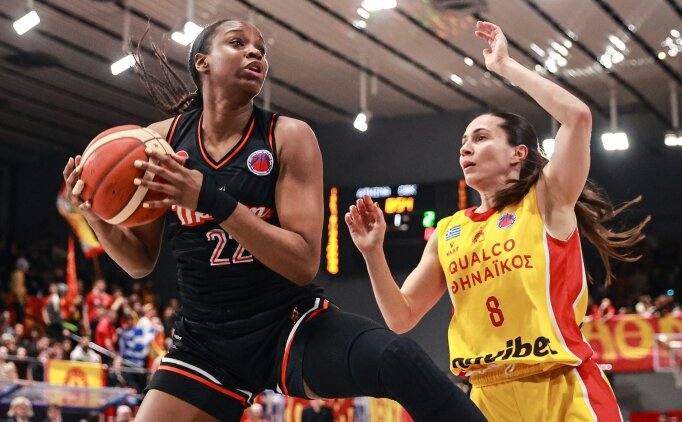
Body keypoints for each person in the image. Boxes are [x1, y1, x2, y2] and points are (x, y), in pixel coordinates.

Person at [62, 19, 485, 422]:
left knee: (398, 359)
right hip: (204, 342)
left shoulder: (287, 136)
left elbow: (302, 263)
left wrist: (209, 199)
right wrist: (95, 215)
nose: (255, 54)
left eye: (260, 50)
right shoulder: (161, 141)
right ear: (202, 61)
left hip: (289, 325)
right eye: (238, 43)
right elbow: (140, 262)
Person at [345, 21, 650, 422]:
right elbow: (400, 317)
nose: (466, 148)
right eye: (463, 143)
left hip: (559, 388)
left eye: (481, 138)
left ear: (518, 153)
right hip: (487, 397)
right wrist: (372, 253)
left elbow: (577, 117)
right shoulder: (448, 231)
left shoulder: (545, 198)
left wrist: (505, 66)